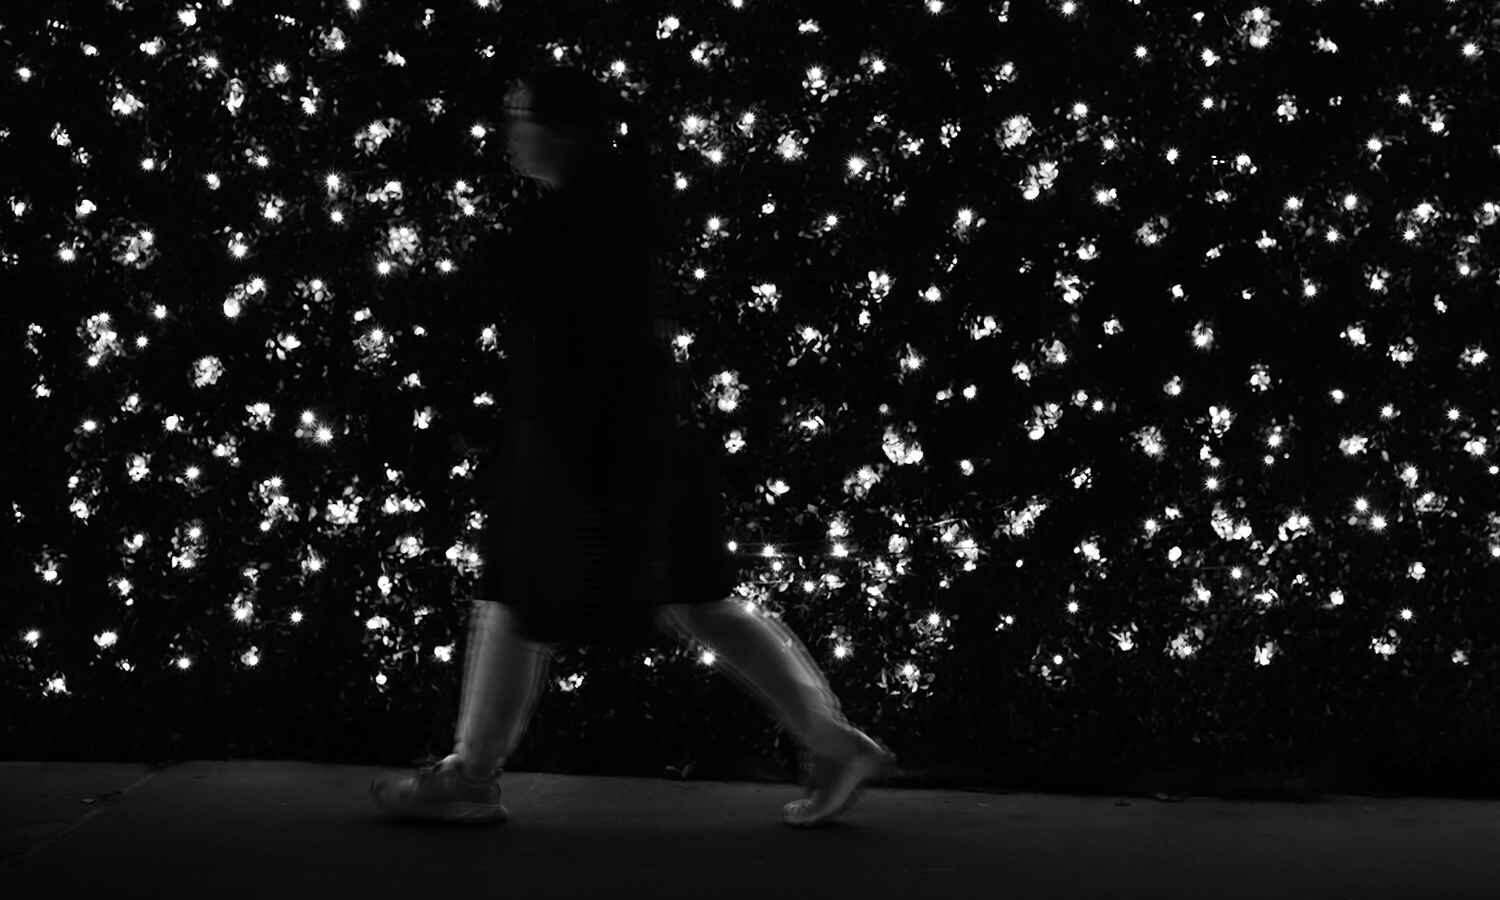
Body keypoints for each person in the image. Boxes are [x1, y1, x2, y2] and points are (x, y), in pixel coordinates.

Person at [370, 65, 895, 827]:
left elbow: (567, 342)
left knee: (524, 590)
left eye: (523, 115)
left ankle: (473, 776)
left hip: (596, 446)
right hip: (634, 440)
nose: (509, 129)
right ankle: (832, 740)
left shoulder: (576, 219)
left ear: (563, 130)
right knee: (693, 599)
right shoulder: (608, 204)